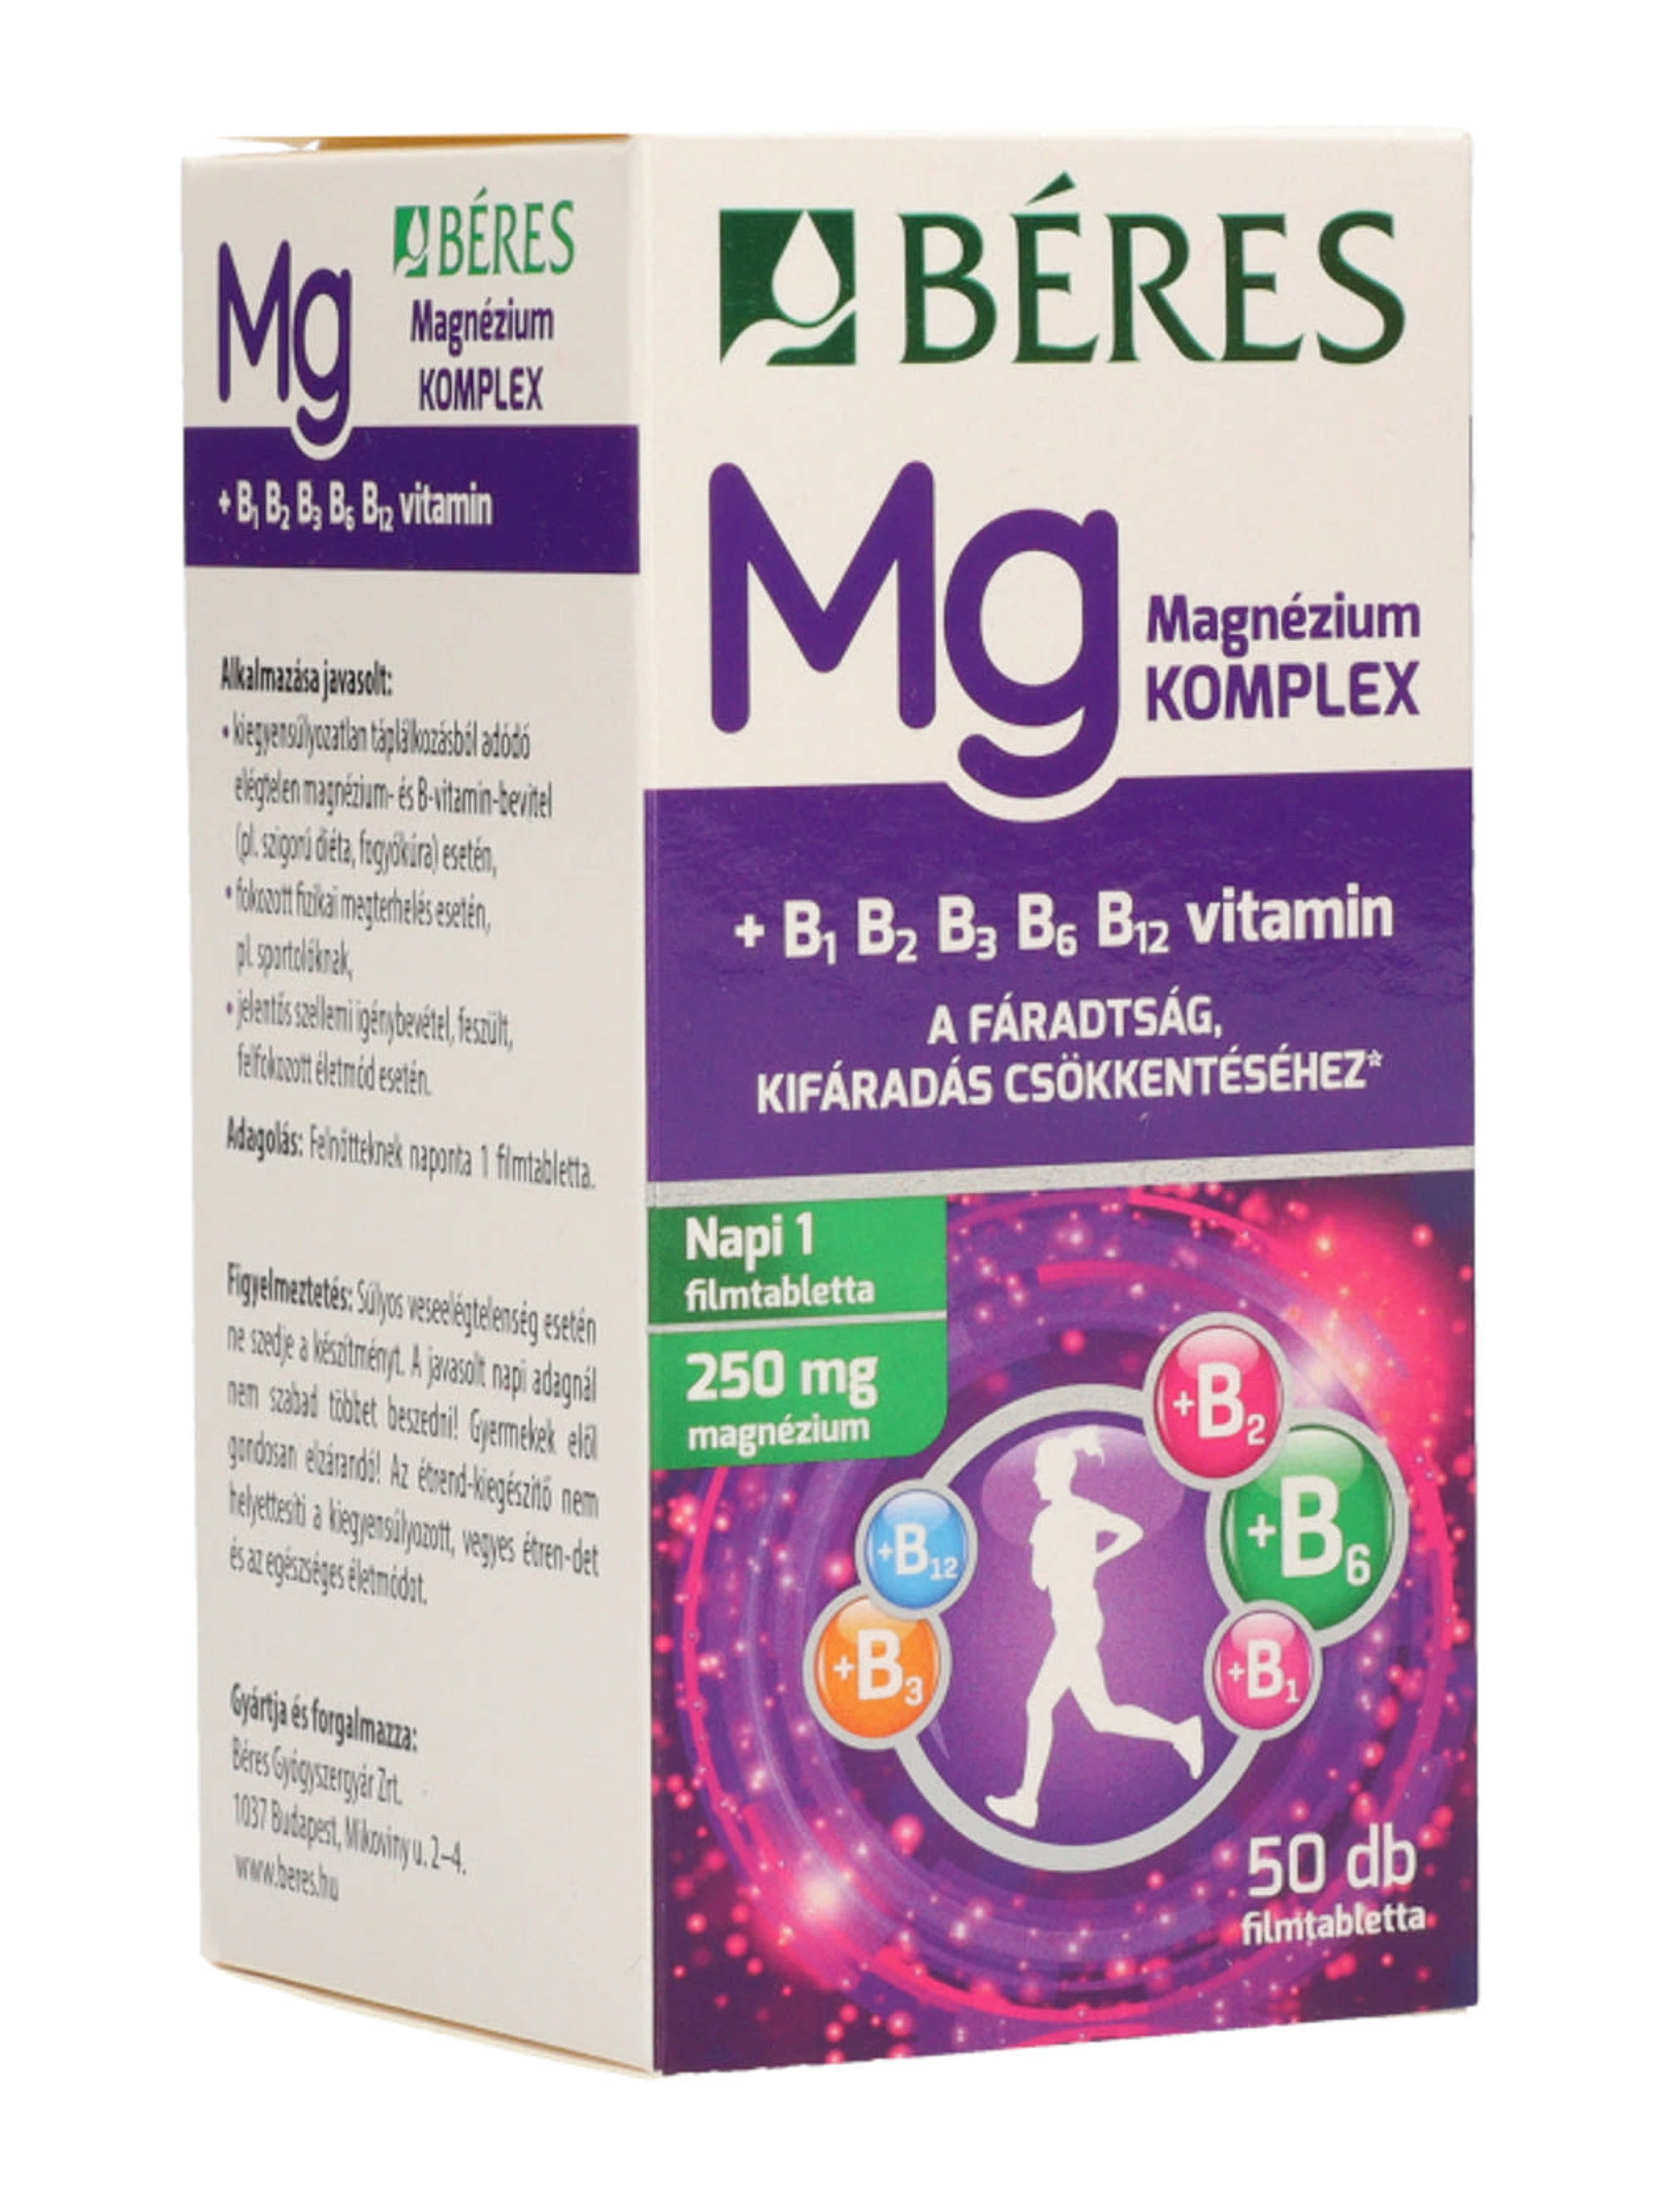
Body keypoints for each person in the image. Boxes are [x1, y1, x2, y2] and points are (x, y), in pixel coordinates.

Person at [987, 1426, 1204, 1830]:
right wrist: (1094, 1559)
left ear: (1057, 1473)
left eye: (1040, 1471)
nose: (1035, 1479)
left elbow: (1039, 1580)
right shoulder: (1085, 1511)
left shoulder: (1047, 1521)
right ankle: (1181, 1734)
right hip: (1084, 1618)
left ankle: (1027, 1802)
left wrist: (1062, 1557)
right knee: (1103, 1715)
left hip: (1075, 1623)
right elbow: (1131, 1530)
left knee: (1038, 1705)